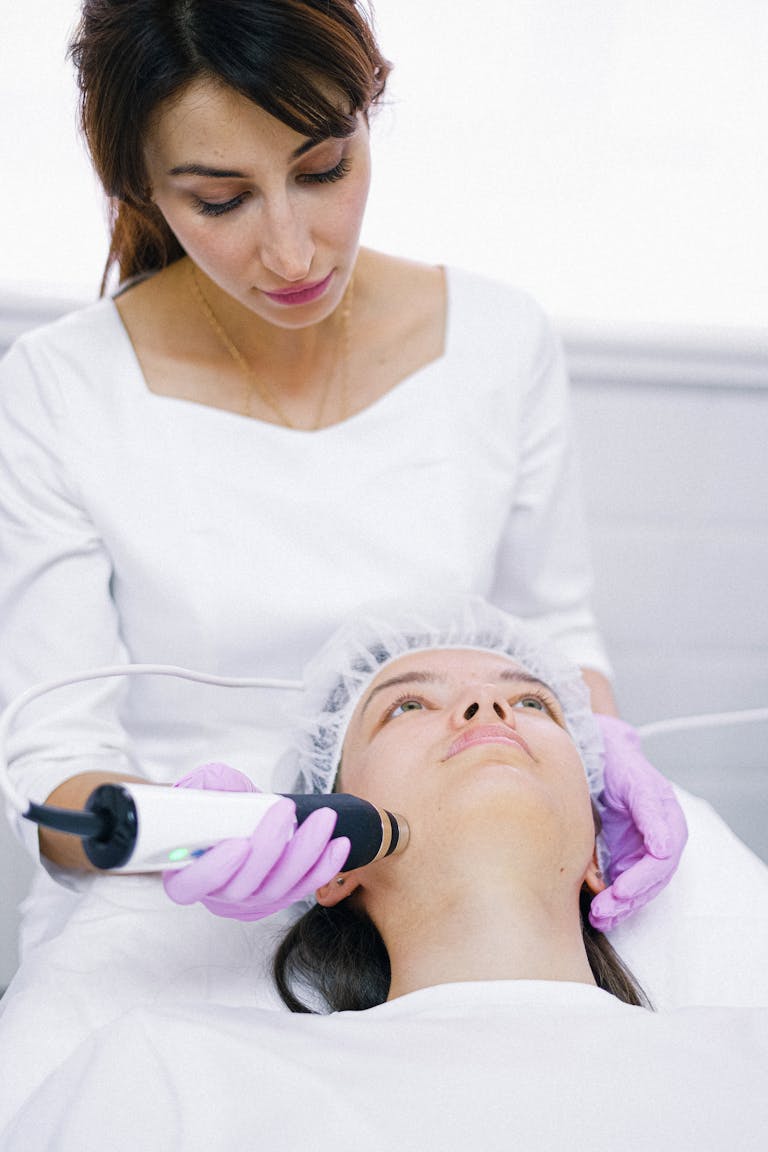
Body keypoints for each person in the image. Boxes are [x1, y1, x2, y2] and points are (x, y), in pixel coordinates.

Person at [0, 0, 683, 959]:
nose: (292, 252)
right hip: (181, 886)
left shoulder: (496, 338)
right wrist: (195, 832)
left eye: (323, 170)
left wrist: (606, 755)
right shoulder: (59, 387)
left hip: (449, 847)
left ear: (371, 112)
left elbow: (554, 629)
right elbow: (57, 783)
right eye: (220, 199)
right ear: (140, 188)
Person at [3, 600, 765, 1152]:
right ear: (330, 854)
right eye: (405, 706)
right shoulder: (173, 1073)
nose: (484, 702)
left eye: (532, 701)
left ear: (604, 849)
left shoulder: (750, 1062)